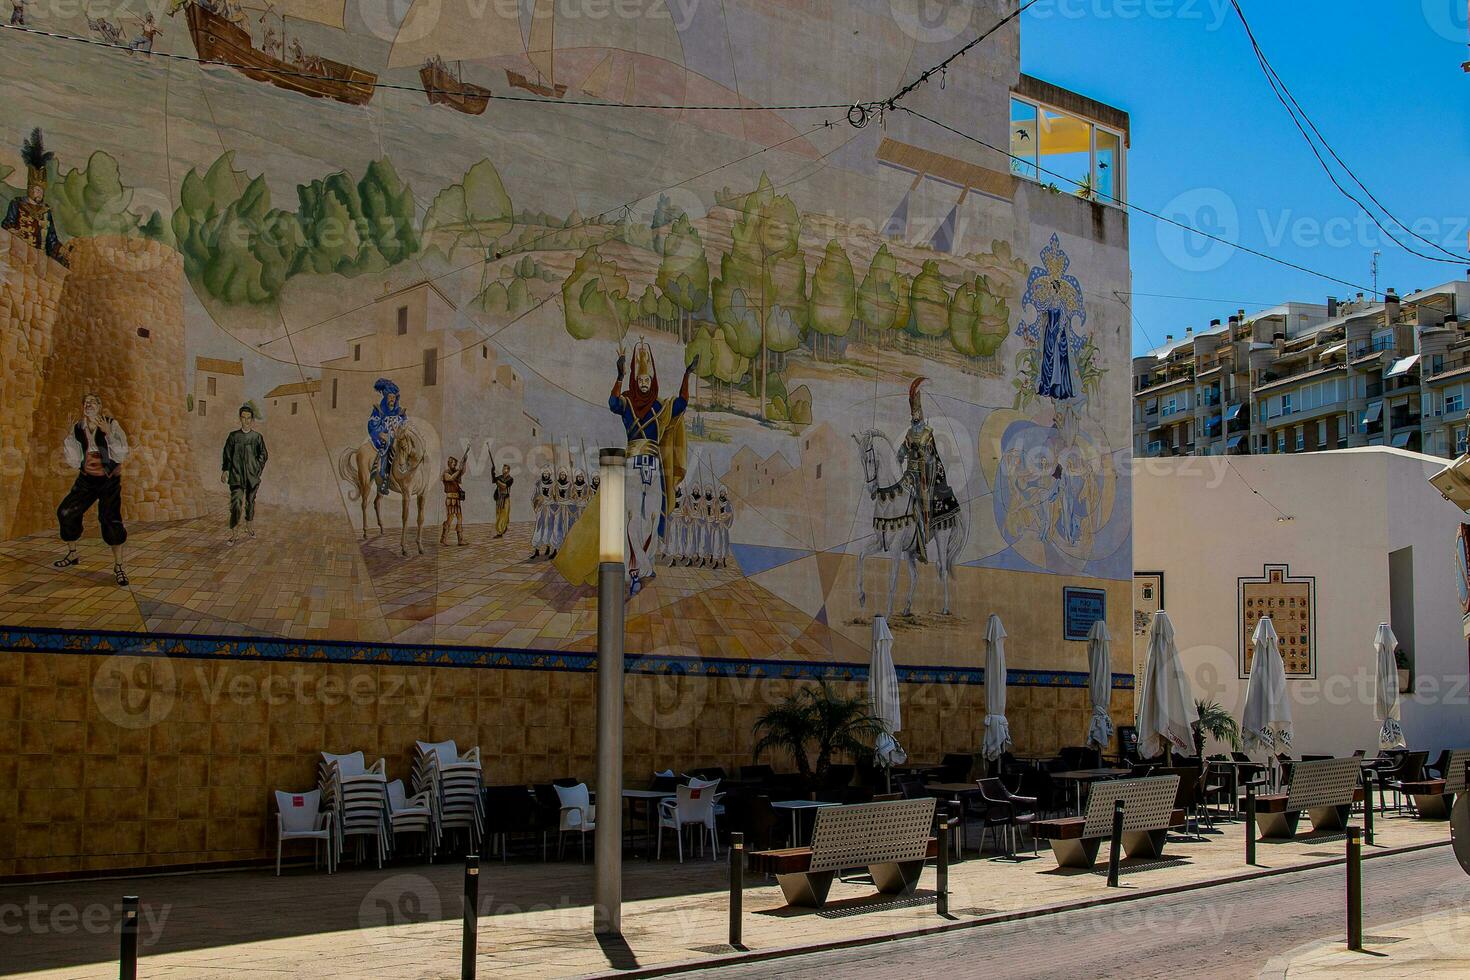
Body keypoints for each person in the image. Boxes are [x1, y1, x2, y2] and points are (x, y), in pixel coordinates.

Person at [608, 342, 695, 595]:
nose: (644, 382)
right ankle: (634, 571)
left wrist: (686, 375)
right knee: (634, 517)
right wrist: (620, 375)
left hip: (653, 466)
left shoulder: (660, 406)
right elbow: (612, 403)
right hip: (634, 464)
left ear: (653, 379)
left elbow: (681, 404)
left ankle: (645, 565)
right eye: (641, 379)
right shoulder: (628, 403)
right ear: (636, 381)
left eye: (647, 378)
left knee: (654, 516)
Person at [53, 393, 130, 586]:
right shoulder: (78, 427)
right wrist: (67, 438)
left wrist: (109, 434)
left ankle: (119, 566)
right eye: (86, 402)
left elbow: (121, 454)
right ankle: (72, 554)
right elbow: (73, 460)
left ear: (100, 406)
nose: (88, 405)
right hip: (86, 480)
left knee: (110, 521)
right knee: (66, 512)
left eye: (92, 402)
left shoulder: (111, 424)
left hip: (108, 480)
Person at [896, 377, 957, 564]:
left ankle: (921, 539)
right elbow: (901, 453)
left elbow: (933, 457)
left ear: (921, 413)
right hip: (909, 474)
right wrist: (898, 461)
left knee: (920, 504)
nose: (915, 415)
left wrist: (923, 455)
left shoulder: (927, 433)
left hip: (923, 476)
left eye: (918, 412)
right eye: (913, 412)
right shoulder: (909, 433)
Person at [2, 128, 67, 265]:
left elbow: (51, 240)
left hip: (40, 260)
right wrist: (15, 233)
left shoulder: (46, 211)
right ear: (30, 189)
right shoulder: (17, 204)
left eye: (41, 190)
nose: (40, 193)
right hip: (18, 257)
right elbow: (6, 225)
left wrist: (61, 250)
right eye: (37, 189)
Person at [220, 404, 268, 543]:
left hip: (252, 477)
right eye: (243, 417)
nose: (246, 420)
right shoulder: (233, 436)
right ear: (240, 418)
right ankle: (234, 534)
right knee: (236, 503)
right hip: (236, 477)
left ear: (252, 419)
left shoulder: (257, 437)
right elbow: (227, 454)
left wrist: (257, 469)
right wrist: (225, 470)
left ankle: (249, 527)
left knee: (250, 503)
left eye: (249, 418)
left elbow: (263, 455)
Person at [367, 378, 406, 496]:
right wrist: (380, 433)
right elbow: (372, 425)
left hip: (399, 437)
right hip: (384, 439)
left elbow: (405, 424)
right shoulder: (378, 411)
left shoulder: (400, 412)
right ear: (385, 397)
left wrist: (401, 431)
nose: (392, 400)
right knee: (389, 448)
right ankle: (385, 478)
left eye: (394, 398)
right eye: (390, 397)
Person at [440, 455, 466, 546]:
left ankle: (460, 540)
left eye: (455, 464)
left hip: (456, 498)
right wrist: (459, 470)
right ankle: (443, 538)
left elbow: (462, 472)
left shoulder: (455, 472)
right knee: (450, 518)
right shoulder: (445, 473)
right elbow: (451, 478)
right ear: (449, 463)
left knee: (459, 518)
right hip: (450, 499)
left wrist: (464, 462)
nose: (455, 465)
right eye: (453, 464)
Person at [528, 466, 554, 559]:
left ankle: (548, 547)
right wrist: (536, 503)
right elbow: (533, 496)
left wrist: (550, 502)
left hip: (549, 509)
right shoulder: (538, 484)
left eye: (547, 474)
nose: (546, 475)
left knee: (549, 527)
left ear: (549, 474)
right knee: (539, 528)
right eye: (544, 473)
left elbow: (555, 497)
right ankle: (537, 550)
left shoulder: (553, 484)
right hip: (541, 509)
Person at [491, 456, 513, 538]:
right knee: (498, 515)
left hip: (505, 499)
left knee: (504, 515)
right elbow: (494, 480)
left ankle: (500, 532)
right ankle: (502, 528)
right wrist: (492, 472)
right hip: (499, 498)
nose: (503, 470)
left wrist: (497, 481)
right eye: (503, 469)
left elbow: (504, 486)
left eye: (505, 469)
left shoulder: (510, 479)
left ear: (508, 470)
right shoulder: (500, 477)